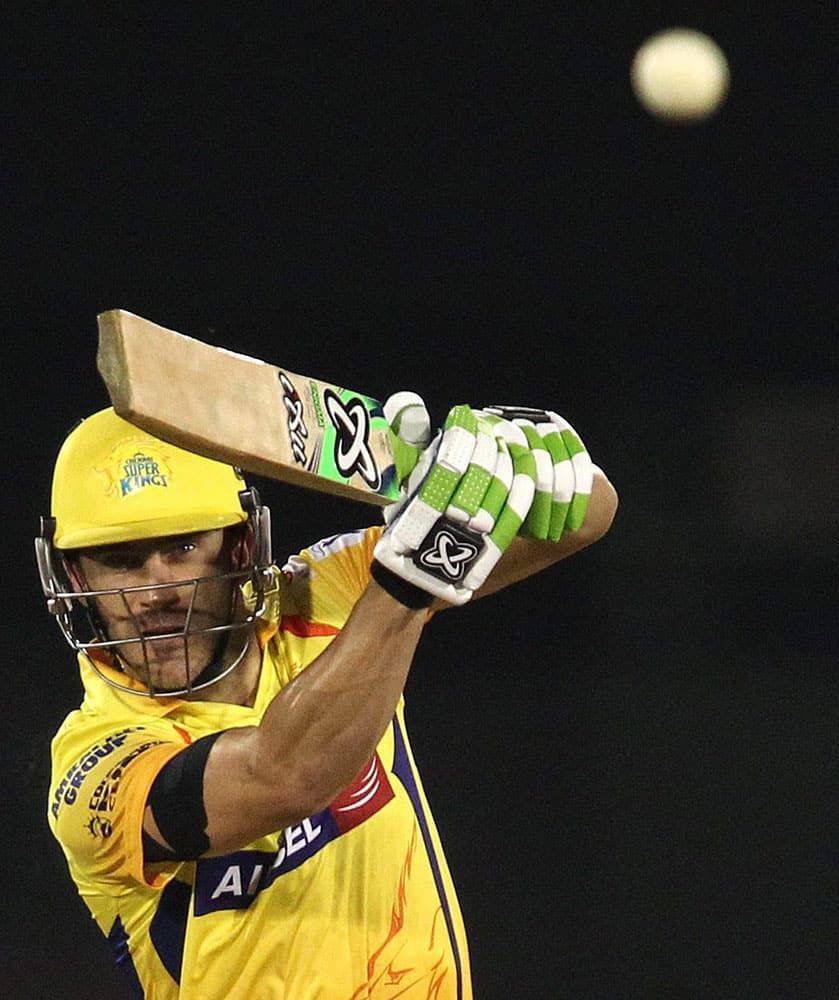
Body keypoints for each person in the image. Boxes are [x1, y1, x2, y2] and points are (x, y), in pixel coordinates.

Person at [37, 394, 617, 999]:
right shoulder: (95, 765)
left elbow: (590, 514)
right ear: (76, 577)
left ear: (238, 547)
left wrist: (511, 461)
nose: (157, 591)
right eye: (120, 561)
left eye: (182, 547)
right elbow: (285, 775)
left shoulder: (326, 592)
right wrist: (411, 580)